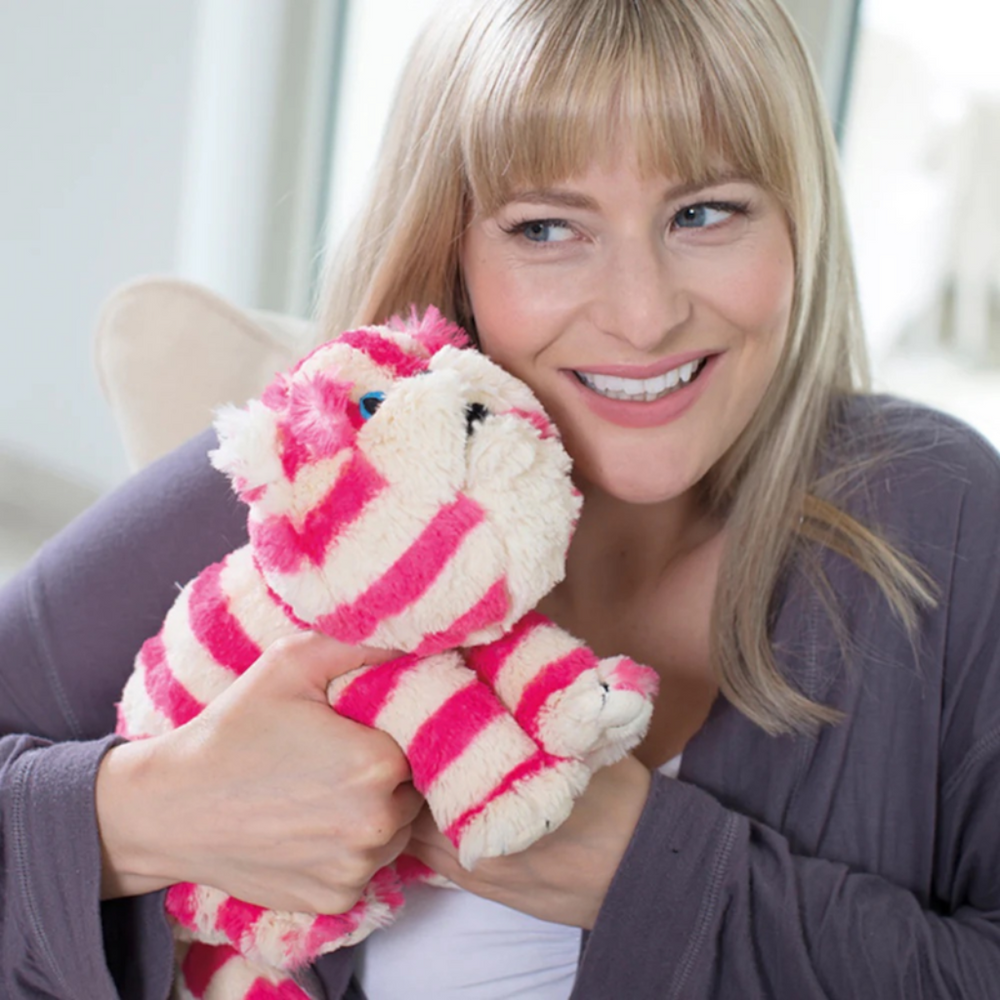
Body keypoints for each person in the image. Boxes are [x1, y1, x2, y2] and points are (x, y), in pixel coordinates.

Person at [2, 0, 999, 996]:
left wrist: (653, 872)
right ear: (453, 252)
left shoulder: (933, 516)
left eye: (704, 213)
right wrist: (146, 815)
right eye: (547, 227)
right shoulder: (317, 488)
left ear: (797, 225)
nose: (643, 315)